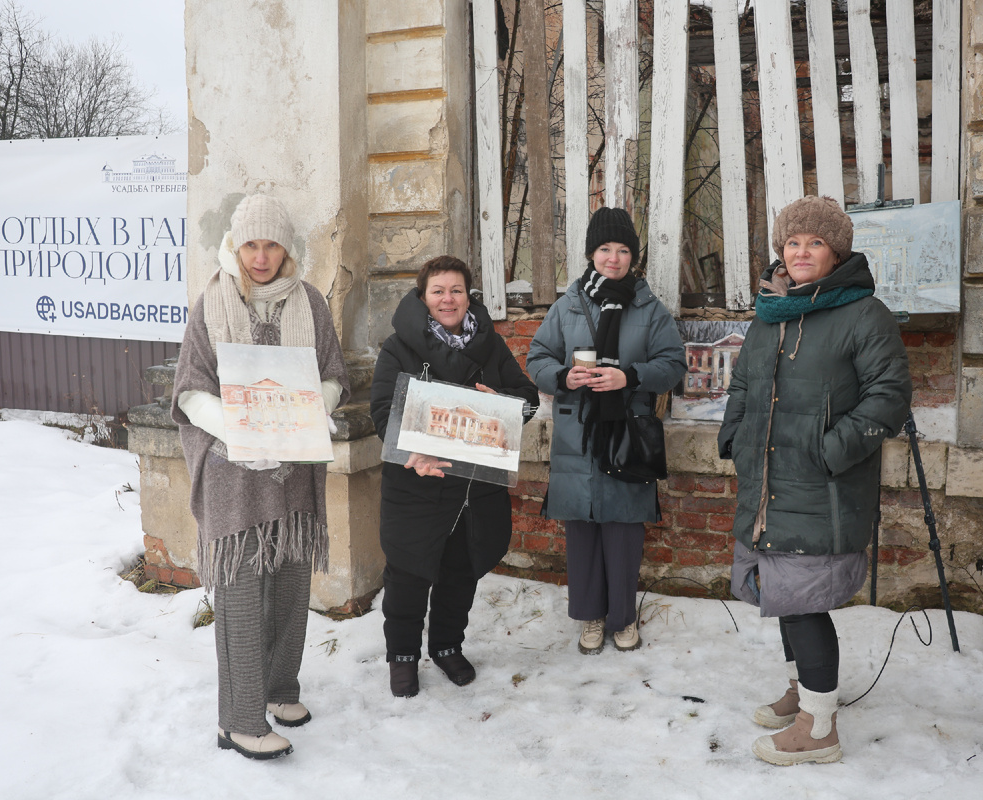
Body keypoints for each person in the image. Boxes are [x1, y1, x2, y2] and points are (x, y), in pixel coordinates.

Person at [716, 195, 912, 766]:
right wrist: (733, 434)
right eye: (792, 243)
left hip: (820, 486)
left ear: (837, 253)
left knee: (802, 602)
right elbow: (745, 386)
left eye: (815, 243)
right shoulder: (772, 311)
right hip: (768, 481)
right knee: (780, 593)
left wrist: (829, 452)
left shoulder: (862, 315)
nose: (801, 252)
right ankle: (805, 691)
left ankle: (819, 727)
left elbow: (888, 399)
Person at [171, 194, 349, 760]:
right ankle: (239, 720)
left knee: (291, 584)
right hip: (233, 469)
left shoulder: (311, 303)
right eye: (251, 244)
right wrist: (239, 432)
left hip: (293, 467)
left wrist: (314, 410)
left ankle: (279, 689)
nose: (261, 256)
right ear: (235, 245)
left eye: (272, 244)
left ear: (286, 248)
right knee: (244, 594)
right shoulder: (211, 304)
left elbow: (333, 373)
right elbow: (190, 390)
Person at [370, 255, 539, 698]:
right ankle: (402, 657)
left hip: (474, 488)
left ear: (469, 297)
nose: (448, 299)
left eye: (457, 291)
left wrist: (502, 401)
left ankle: (447, 646)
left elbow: (528, 400)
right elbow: (382, 411)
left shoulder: (491, 346)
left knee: (460, 572)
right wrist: (412, 452)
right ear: (423, 297)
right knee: (407, 575)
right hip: (417, 483)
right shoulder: (398, 347)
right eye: (438, 291)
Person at [526, 207, 686, 655]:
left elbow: (673, 365)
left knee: (623, 529)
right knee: (582, 529)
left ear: (632, 257)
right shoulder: (567, 305)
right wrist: (562, 377)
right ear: (590, 254)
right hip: (577, 434)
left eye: (622, 250)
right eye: (604, 249)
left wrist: (629, 376)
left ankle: (623, 618)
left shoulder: (650, 309)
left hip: (626, 434)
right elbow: (537, 357)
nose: (613, 258)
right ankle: (592, 617)